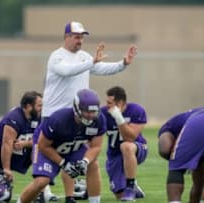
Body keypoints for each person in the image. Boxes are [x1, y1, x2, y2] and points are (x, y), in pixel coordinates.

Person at [41, 21, 137, 203]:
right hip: (54, 115)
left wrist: (123, 63)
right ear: (67, 37)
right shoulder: (56, 56)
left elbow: (102, 69)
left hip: (78, 117)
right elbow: (67, 71)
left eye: (82, 37)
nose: (80, 41)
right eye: (77, 37)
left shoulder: (84, 56)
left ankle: (82, 199)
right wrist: (91, 62)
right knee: (49, 162)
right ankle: (44, 190)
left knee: (87, 162)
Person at [17, 89, 106, 203]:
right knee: (41, 181)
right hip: (48, 146)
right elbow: (43, 146)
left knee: (93, 164)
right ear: (77, 108)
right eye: (86, 111)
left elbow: (96, 146)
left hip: (73, 146)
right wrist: (63, 163)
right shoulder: (59, 119)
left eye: (93, 111)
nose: (90, 115)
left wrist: (85, 161)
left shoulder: (99, 120)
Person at [101, 86, 147, 201]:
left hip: (137, 149)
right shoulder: (103, 113)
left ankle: (130, 187)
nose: (107, 105)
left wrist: (119, 118)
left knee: (126, 146)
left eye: (109, 102)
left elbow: (130, 138)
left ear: (120, 103)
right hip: (114, 154)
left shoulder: (136, 110)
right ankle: (133, 187)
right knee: (120, 196)